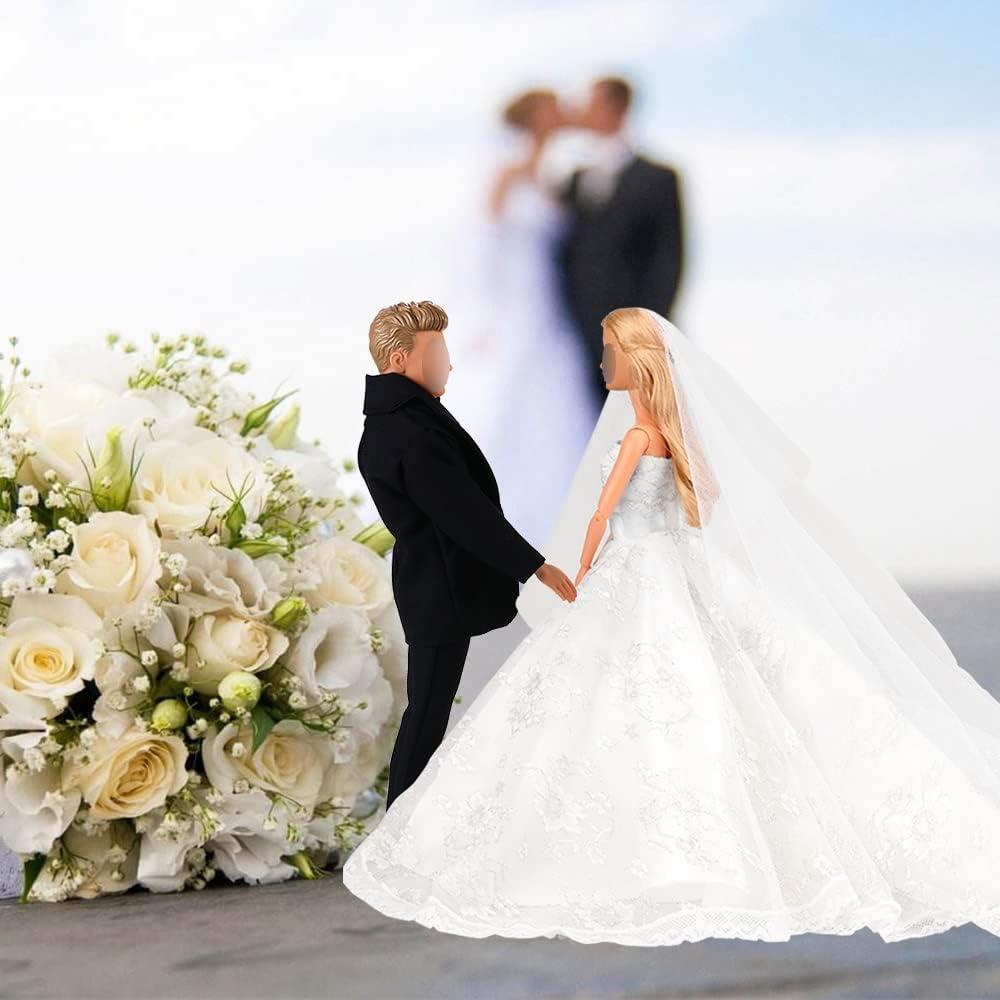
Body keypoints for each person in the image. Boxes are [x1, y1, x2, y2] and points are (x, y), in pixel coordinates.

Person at [343, 305, 1000, 946]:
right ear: (405, 360)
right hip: (651, 560)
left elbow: (599, 514)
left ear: (636, 361)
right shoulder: (658, 435)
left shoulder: (631, 436)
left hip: (628, 565)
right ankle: (417, 813)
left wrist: (573, 561)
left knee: (608, 694)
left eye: (610, 352)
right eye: (438, 354)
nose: (602, 361)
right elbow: (695, 501)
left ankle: (424, 821)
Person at [356, 300, 577, 809]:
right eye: (436, 353)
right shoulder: (407, 431)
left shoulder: (402, 421)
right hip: (438, 589)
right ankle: (399, 828)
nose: (448, 364)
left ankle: (407, 826)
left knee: (430, 709)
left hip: (436, 583)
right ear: (397, 360)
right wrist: (534, 565)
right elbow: (464, 512)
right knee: (427, 711)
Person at [472, 87, 602, 551]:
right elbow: (484, 243)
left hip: (554, 308)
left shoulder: (555, 177)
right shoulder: (506, 173)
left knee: (561, 404)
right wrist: (484, 314)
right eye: (552, 107)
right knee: (513, 400)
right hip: (516, 308)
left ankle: (564, 520)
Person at [557, 76, 686, 410]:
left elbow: (669, 261)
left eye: (591, 102)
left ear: (618, 107)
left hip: (638, 343)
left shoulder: (659, 178)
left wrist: (642, 337)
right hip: (579, 342)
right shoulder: (572, 180)